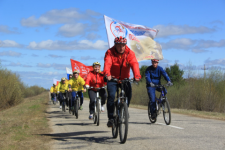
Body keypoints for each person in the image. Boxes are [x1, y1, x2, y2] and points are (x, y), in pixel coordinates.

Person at [104, 36, 141, 127]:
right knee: (111, 96)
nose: (121, 48)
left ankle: (124, 109)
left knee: (129, 95)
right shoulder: (110, 52)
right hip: (113, 78)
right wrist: (107, 74)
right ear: (115, 45)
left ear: (125, 45)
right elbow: (107, 64)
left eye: (123, 45)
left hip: (124, 79)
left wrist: (136, 75)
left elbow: (134, 64)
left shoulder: (130, 53)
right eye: (119, 45)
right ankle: (111, 118)